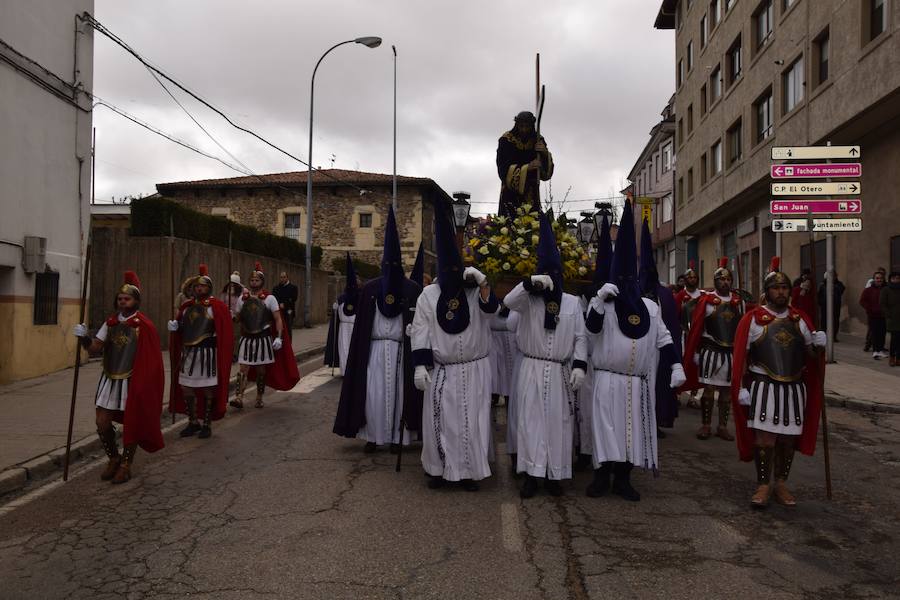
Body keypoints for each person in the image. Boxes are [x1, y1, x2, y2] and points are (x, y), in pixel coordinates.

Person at [584, 200, 685, 501]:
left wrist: (676, 365)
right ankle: (602, 475)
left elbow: (664, 339)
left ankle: (624, 478)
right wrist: (600, 302)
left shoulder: (651, 308)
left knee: (631, 431)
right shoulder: (602, 302)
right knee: (605, 428)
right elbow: (591, 330)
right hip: (607, 379)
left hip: (637, 383)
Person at [410, 200, 498, 491]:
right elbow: (420, 329)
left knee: (472, 422)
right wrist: (420, 365)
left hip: (474, 369)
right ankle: (438, 469)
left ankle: (470, 471)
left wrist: (484, 284)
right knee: (440, 420)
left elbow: (492, 312)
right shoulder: (428, 295)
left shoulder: (472, 289)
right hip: (443, 370)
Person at [732, 257, 827, 508]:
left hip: (794, 388)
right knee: (765, 439)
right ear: (767, 292)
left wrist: (819, 346)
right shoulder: (753, 320)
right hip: (764, 386)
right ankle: (763, 484)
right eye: (776, 288)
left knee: (787, 439)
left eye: (785, 287)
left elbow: (811, 356)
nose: (781, 291)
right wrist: (741, 387)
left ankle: (781, 483)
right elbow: (742, 355)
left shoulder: (800, 320)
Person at [504, 212, 587, 498]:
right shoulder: (528, 301)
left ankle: (555, 474)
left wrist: (579, 366)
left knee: (559, 423)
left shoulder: (573, 302)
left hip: (560, 370)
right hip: (532, 368)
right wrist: (529, 283)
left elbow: (580, 337)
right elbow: (507, 302)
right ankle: (530, 473)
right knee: (531, 421)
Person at [333, 207, 423, 453]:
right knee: (372, 394)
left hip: (400, 351)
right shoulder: (371, 290)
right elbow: (363, 325)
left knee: (400, 395)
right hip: (373, 351)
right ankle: (373, 436)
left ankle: (398, 437)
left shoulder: (411, 290)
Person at [72, 271, 164, 483]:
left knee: (132, 423)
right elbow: (96, 347)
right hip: (111, 377)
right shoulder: (111, 323)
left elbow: (152, 360)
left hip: (133, 379)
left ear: (136, 301)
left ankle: (126, 464)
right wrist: (83, 338)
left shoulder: (144, 325)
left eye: (127, 299)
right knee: (102, 421)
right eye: (120, 299)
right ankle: (114, 458)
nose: (123, 302)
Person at [682, 257, 750, 441]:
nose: (725, 282)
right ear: (715, 281)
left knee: (727, 392)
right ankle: (706, 424)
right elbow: (697, 327)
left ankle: (722, 426)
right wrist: (696, 352)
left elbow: (744, 328)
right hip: (711, 351)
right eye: (721, 279)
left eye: (728, 279)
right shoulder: (708, 301)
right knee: (709, 389)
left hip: (730, 352)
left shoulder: (739, 302)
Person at [168, 264, 233, 439]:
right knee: (186, 388)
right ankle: (193, 421)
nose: (199, 288)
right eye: (196, 286)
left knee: (207, 388)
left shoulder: (216, 306)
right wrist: (176, 326)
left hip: (207, 353)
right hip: (188, 353)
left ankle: (206, 423)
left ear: (209, 287)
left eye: (202, 285)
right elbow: (184, 328)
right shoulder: (187, 306)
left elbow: (224, 331)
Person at [573, 212, 614, 472]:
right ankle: (586, 452)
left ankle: (606, 455)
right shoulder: (585, 297)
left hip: (609, 365)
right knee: (585, 411)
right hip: (589, 361)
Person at [232, 262, 298, 409]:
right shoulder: (243, 299)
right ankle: (238, 397)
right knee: (243, 369)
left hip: (263, 338)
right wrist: (231, 316)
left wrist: (279, 337)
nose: (254, 283)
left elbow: (278, 318)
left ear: (262, 282)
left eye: (257, 280)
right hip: (247, 338)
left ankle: (259, 397)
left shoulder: (270, 298)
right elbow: (238, 318)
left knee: (261, 370)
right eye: (252, 280)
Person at [639, 218, 682, 435]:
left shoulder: (665, 294)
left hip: (659, 349)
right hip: (638, 349)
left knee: (658, 386)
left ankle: (655, 421)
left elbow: (672, 326)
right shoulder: (634, 293)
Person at [496, 111, 553, 218]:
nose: (524, 130)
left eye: (527, 126)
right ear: (516, 125)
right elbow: (502, 169)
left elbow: (546, 174)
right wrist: (527, 168)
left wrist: (544, 153)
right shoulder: (506, 140)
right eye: (521, 126)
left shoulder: (538, 140)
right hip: (510, 192)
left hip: (531, 192)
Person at [674, 261, 704, 409]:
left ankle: (693, 396)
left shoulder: (703, 297)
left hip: (699, 336)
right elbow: (674, 316)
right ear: (685, 280)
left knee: (697, 367)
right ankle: (677, 394)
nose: (692, 280)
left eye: (694, 278)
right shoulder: (680, 296)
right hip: (683, 336)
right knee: (681, 364)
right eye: (689, 278)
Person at [325, 253, 358, 376]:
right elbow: (337, 315)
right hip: (343, 327)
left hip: (354, 327)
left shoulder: (359, 298)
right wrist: (335, 309)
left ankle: (352, 371)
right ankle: (345, 371)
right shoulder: (341, 298)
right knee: (343, 349)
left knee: (352, 349)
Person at [860, 270, 888, 359]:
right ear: (874, 279)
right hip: (873, 316)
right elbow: (862, 301)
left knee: (882, 333)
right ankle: (875, 351)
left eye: (881, 278)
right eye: (877, 278)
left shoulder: (886, 289)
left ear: (883, 279)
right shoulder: (868, 290)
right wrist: (870, 309)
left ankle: (880, 350)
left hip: (884, 316)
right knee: (875, 334)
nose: (879, 280)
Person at [220, 272, 244, 363]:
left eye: (234, 284)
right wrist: (225, 310)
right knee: (226, 336)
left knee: (236, 336)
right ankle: (226, 353)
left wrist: (236, 314)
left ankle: (235, 354)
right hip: (226, 316)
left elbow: (243, 303)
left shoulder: (242, 291)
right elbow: (221, 302)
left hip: (237, 317)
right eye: (231, 283)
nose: (232, 285)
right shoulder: (225, 291)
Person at [816, 270, 845, 342]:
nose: (833, 277)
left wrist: (833, 286)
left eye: (834, 276)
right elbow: (818, 296)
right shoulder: (822, 285)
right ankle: (824, 336)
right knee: (824, 322)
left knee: (835, 321)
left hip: (835, 306)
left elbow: (841, 290)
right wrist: (821, 302)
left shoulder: (839, 284)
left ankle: (834, 336)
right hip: (825, 307)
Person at [882, 271, 900, 367]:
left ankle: (899, 359)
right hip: (892, 319)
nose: (896, 280)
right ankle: (892, 358)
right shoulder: (886, 289)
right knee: (894, 339)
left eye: (898, 278)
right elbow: (882, 304)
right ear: (890, 279)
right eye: (894, 278)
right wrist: (888, 314)